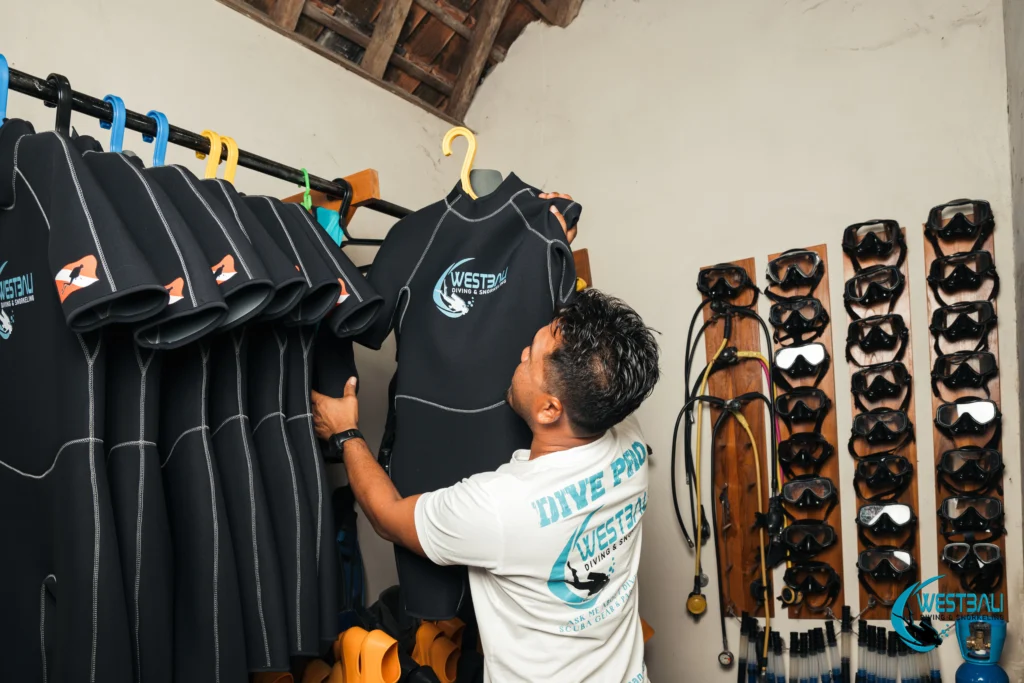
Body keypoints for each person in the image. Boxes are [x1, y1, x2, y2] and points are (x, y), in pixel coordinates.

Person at [311, 221, 659, 683]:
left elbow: (387, 515)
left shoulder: (500, 509)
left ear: (552, 408)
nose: (518, 354)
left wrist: (345, 431)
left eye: (529, 357)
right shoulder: (626, 438)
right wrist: (544, 246)